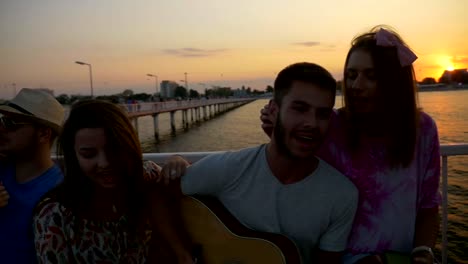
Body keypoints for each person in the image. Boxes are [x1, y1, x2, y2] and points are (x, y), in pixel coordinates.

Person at [260, 25, 441, 264]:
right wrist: (276, 127)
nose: (356, 86)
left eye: (371, 76)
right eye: (351, 75)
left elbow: (428, 205)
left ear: (394, 81)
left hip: (399, 259)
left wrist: (423, 251)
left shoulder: (423, 130)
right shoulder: (330, 126)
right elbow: (292, 162)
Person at [158, 62, 359, 264]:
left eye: (322, 114)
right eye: (299, 109)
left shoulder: (342, 196)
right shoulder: (231, 168)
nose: (312, 123)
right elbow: (157, 195)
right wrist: (181, 253)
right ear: (273, 110)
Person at [32, 100, 194, 263]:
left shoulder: (142, 177)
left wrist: (177, 161)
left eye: (114, 150)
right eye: (89, 154)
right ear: (74, 156)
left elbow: (168, 180)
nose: (105, 163)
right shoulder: (54, 215)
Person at [0, 88, 65, 264]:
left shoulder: (60, 194)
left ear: (44, 133)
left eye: (11, 123)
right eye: (1, 121)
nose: (1, 129)